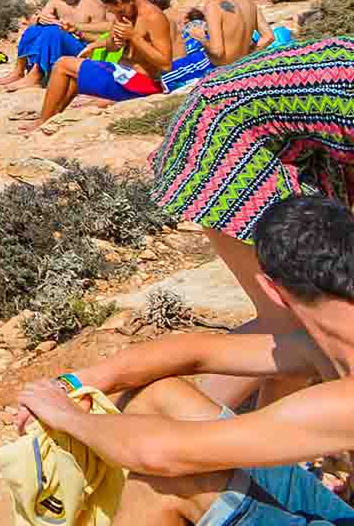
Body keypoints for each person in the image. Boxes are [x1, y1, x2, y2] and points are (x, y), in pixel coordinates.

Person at [13, 196, 354, 525]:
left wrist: (67, 416)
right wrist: (77, 383)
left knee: (171, 483)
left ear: (271, 291)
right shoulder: (321, 344)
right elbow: (196, 353)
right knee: (157, 397)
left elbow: (159, 455)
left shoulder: (343, 402)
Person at [149, 40, 354, 412]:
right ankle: (191, 424)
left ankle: (279, 444)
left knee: (304, 314)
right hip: (223, 135)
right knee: (294, 316)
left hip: (277, 142)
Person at [36, 0, 173, 129]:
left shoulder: (153, 17)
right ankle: (51, 118)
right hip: (124, 75)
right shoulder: (123, 13)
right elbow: (111, 45)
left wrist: (134, 37)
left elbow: (166, 63)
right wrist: (116, 42)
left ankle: (42, 122)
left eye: (120, 11)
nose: (119, 16)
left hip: (142, 83)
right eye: (114, 12)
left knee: (62, 64)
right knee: (74, 75)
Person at [0, 0, 111, 91]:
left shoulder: (92, 4)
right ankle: (19, 70)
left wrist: (77, 31)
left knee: (53, 31)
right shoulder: (55, 2)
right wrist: (40, 19)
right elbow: (33, 24)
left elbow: (101, 38)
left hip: (84, 50)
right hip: (62, 46)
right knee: (34, 29)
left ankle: (36, 76)